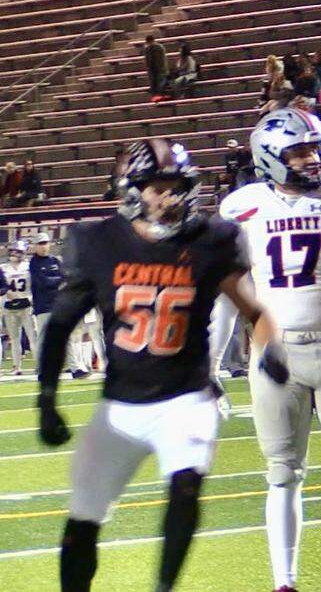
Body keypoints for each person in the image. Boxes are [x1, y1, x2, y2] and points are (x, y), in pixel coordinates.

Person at [34, 138, 290, 592]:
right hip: (120, 405)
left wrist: (271, 349)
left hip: (187, 398)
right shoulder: (98, 242)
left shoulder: (212, 239)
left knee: (186, 487)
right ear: (132, 190)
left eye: (177, 186)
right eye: (158, 188)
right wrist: (47, 397)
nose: (170, 197)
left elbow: (256, 312)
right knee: (82, 523)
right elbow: (59, 325)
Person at [212, 109, 321, 592]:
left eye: (314, 147)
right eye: (298, 151)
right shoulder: (243, 207)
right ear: (269, 158)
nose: (312, 159)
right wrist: (209, 365)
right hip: (277, 354)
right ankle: (285, 581)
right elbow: (232, 290)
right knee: (282, 473)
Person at [30, 233, 86, 380]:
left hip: (58, 304)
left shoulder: (55, 260)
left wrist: (57, 282)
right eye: (40, 244)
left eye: (45, 243)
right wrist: (58, 282)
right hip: (43, 306)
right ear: (35, 246)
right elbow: (43, 282)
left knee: (66, 336)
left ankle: (75, 368)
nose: (43, 247)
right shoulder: (34, 263)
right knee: (44, 339)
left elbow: (66, 278)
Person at [2, 240, 37, 376]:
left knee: (32, 336)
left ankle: (39, 365)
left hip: (26, 304)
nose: (14, 253)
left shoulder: (29, 267)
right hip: (9, 306)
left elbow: (35, 285)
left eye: (17, 251)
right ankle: (16, 367)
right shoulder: (3, 267)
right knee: (15, 338)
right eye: (13, 250)